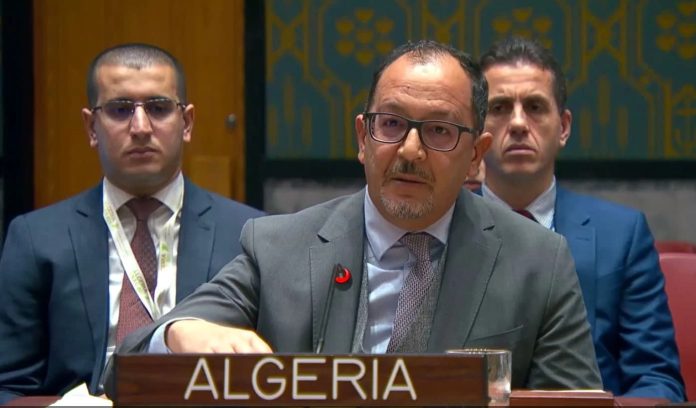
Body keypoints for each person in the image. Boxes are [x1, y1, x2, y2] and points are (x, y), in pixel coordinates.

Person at [110, 40, 601, 392]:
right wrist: (179, 331)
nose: (409, 150)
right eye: (392, 124)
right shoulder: (278, 247)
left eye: (439, 131)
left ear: (476, 155)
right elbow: (126, 365)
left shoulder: (538, 261)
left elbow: (577, 402)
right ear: (363, 139)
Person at [0, 43, 264, 403]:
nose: (140, 127)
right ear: (92, 127)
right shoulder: (36, 239)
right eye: (120, 110)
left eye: (158, 108)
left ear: (186, 123)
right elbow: (9, 387)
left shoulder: (249, 235)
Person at [478, 36, 685, 401]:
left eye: (535, 107)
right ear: (476, 130)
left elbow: (657, 379)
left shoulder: (622, 235)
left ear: (564, 127)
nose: (518, 123)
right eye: (499, 108)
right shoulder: (442, 229)